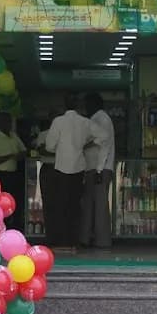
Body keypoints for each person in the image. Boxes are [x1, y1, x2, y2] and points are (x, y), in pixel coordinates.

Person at [44, 94, 109, 248]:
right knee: (75, 205)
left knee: (61, 205)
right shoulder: (85, 122)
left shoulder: (58, 122)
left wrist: (60, 147)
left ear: (64, 105)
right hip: (79, 168)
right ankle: (73, 241)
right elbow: (104, 135)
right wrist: (88, 144)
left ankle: (61, 241)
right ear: (79, 105)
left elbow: (49, 146)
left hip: (61, 168)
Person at [80, 92, 115, 249]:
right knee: (91, 204)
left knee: (99, 206)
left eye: (87, 104)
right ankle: (87, 238)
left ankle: (102, 241)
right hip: (94, 168)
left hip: (99, 168)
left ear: (94, 104)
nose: (85, 108)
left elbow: (104, 145)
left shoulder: (102, 119)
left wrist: (100, 170)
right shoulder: (96, 119)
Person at [0, 112, 26, 231]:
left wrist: (17, 156)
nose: (8, 124)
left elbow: (23, 151)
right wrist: (10, 156)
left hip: (13, 175)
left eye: (9, 122)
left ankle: (14, 228)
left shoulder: (14, 136)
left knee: (14, 203)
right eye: (4, 121)